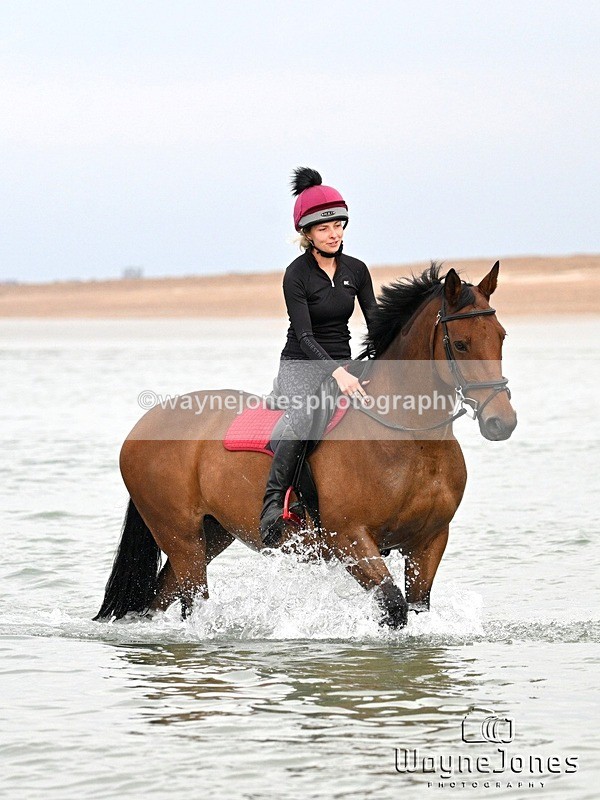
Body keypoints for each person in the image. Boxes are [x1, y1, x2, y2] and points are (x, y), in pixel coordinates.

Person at [259, 167, 378, 547]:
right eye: (324, 228)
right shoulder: (296, 275)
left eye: (339, 225)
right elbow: (306, 335)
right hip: (301, 364)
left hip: (343, 363)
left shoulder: (356, 270)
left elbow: (376, 323)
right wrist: (339, 373)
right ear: (307, 234)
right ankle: (273, 503)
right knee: (306, 416)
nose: (334, 234)